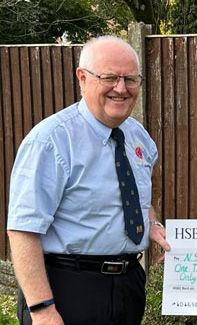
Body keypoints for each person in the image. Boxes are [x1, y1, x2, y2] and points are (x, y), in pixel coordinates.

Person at [7, 36, 170, 325]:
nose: (121, 88)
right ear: (82, 78)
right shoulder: (51, 141)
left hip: (128, 286)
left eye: (130, 79)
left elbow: (138, 200)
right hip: (67, 288)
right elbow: (22, 230)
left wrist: (153, 226)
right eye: (109, 77)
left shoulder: (139, 137)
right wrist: (42, 309)